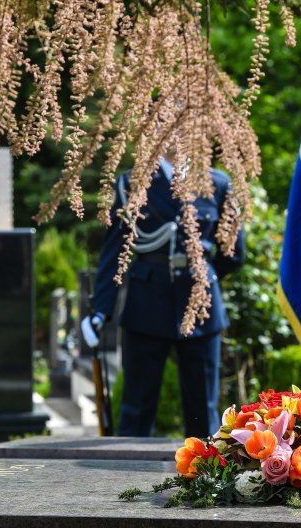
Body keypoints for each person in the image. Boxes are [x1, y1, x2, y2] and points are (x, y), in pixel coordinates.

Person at [88, 156, 245, 438]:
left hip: (201, 308)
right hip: (147, 304)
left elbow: (234, 253)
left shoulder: (217, 183)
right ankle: (117, 481)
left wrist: (201, 277)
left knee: (204, 413)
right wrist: (101, 310)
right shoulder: (133, 182)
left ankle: (203, 479)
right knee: (135, 411)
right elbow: (115, 252)